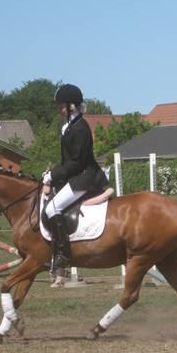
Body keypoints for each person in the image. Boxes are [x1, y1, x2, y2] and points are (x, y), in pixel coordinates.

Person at [42, 84, 109, 270]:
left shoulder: (80, 128)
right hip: (76, 176)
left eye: (61, 106)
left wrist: (51, 176)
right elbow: (67, 161)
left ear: (71, 106)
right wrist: (52, 174)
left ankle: (63, 254)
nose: (59, 109)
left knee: (51, 209)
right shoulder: (70, 126)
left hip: (84, 177)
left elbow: (75, 163)